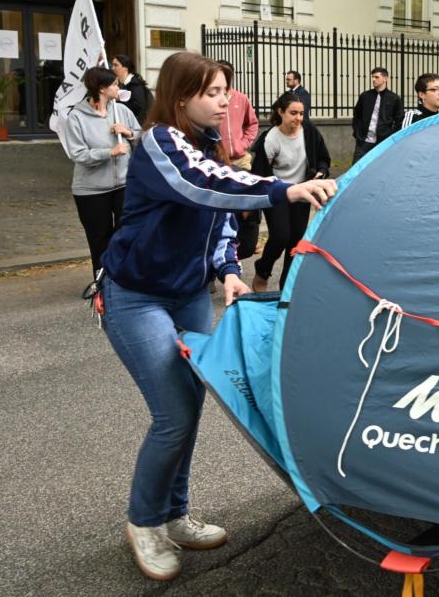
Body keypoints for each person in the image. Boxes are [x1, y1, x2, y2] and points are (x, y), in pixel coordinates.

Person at [99, 51, 336, 582]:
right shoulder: (161, 142)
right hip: (136, 296)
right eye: (212, 92)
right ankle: (144, 522)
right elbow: (200, 185)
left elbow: (218, 220)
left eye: (226, 90)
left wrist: (229, 268)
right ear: (180, 97)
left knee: (191, 404)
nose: (224, 99)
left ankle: (174, 513)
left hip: (186, 294)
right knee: (173, 413)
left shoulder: (207, 147)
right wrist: (284, 188)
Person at [250, 91, 331, 292]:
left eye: (301, 113)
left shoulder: (309, 132)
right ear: (281, 112)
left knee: (296, 241)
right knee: (280, 236)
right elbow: (260, 175)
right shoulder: (270, 139)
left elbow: (323, 157)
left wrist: (321, 171)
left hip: (302, 193)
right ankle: (262, 270)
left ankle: (286, 286)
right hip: (278, 193)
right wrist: (253, 208)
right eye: (293, 113)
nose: (298, 118)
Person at [66, 66, 141, 277]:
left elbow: (142, 137)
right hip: (91, 190)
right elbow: (78, 155)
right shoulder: (77, 117)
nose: (119, 87)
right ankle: (102, 282)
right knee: (99, 238)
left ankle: (123, 278)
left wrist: (127, 132)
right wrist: (110, 152)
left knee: (126, 232)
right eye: (115, 84)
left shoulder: (122, 111)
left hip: (124, 184)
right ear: (101, 88)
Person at [351, 67, 404, 163]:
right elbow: (357, 115)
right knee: (356, 168)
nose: (373, 79)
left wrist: (390, 137)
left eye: (376, 77)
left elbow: (399, 120)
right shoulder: (365, 96)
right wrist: (357, 132)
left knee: (380, 167)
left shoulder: (394, 98)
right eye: (372, 77)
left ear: (385, 78)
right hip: (363, 141)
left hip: (383, 142)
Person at [216, 60, 259, 170]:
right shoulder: (211, 99)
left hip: (241, 160)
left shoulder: (241, 98)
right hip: (218, 161)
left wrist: (243, 144)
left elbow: (252, 123)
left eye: (228, 74)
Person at [111, 54, 152, 125]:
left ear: (125, 68)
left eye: (116, 65)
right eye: (113, 65)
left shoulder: (135, 85)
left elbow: (137, 108)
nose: (112, 68)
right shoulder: (125, 84)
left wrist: (117, 100)